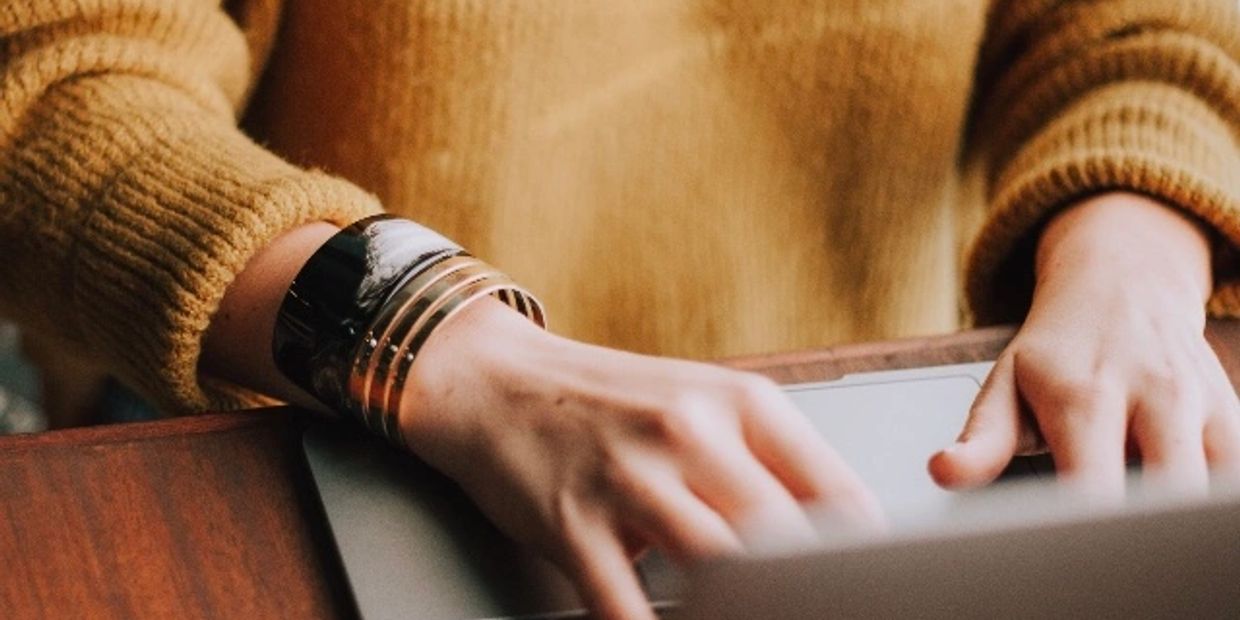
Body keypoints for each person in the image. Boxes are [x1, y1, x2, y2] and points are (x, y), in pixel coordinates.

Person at [1, 1, 1238, 618]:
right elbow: (55, 77)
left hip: (907, 457)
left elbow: (1145, 23)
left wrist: (1131, 257)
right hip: (318, 440)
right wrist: (443, 341)